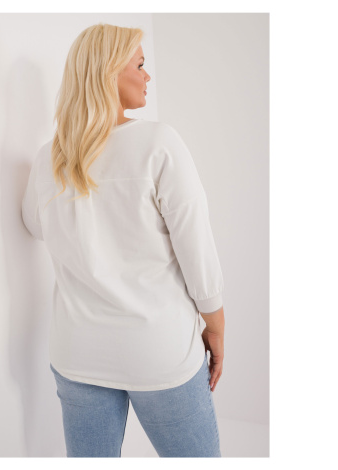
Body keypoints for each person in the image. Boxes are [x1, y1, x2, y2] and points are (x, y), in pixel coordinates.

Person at [22, 23, 225, 458]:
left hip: (78, 354)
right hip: (160, 352)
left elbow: (35, 226)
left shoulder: (48, 159)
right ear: (107, 73)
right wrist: (216, 327)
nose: (147, 75)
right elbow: (198, 251)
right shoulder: (159, 143)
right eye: (139, 65)